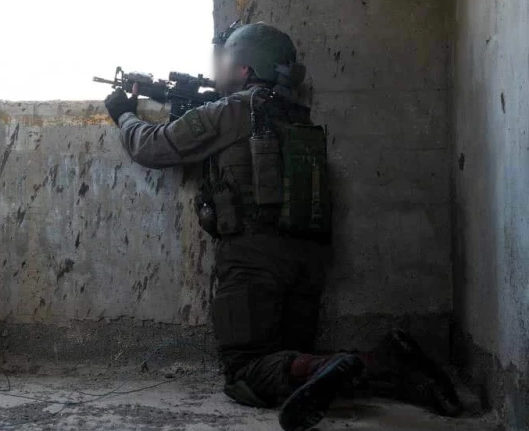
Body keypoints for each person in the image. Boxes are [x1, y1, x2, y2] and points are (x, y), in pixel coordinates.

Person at [103, 23, 461, 431]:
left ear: (244, 69)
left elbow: (154, 146)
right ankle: (386, 362)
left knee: (245, 372)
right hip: (307, 261)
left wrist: (124, 115)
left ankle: (342, 363)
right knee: (292, 364)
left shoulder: (234, 110)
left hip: (255, 259)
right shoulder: (296, 113)